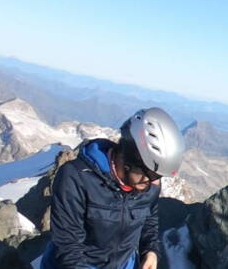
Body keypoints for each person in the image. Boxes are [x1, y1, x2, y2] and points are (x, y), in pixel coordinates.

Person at [41, 107, 185, 269]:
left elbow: (149, 218)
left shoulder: (149, 185)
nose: (153, 182)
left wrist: (150, 251)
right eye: (150, 174)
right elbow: (68, 247)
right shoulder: (77, 178)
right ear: (131, 157)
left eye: (158, 176)